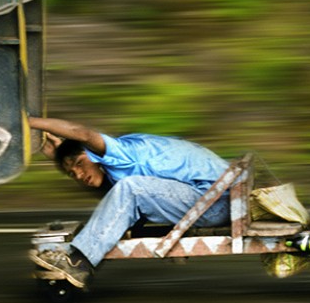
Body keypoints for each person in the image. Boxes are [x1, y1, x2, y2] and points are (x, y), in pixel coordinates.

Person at [28, 116, 233, 288]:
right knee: (127, 191)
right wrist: (60, 153)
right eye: (73, 173)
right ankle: (89, 251)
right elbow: (113, 199)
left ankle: (79, 262)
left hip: (213, 202)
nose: (80, 175)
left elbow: (84, 134)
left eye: (80, 164)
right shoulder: (118, 161)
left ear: (94, 155)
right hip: (212, 197)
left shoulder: (119, 151)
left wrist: (29, 121)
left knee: (132, 188)